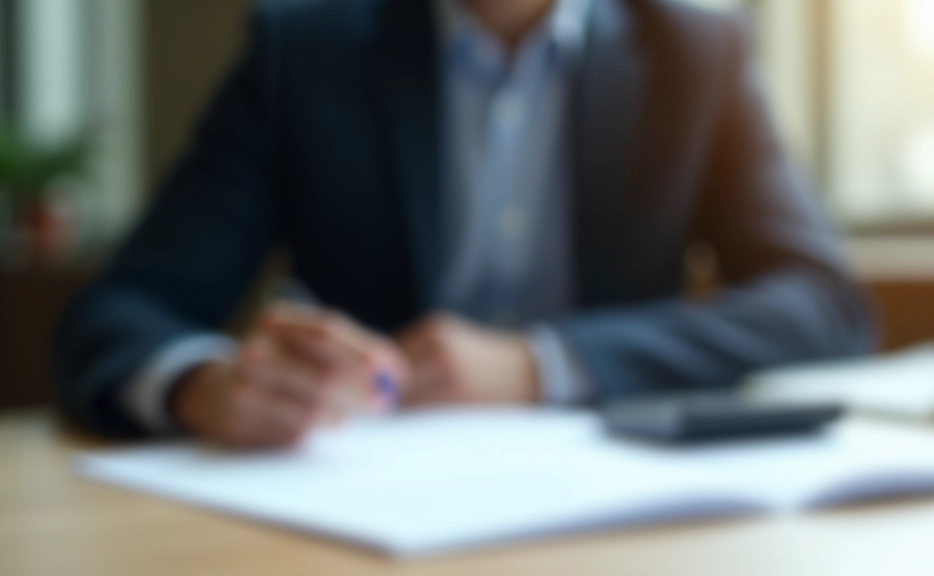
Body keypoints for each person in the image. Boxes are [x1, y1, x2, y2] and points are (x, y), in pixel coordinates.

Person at [54, 0, 874, 446]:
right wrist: (204, 387)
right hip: (357, 517)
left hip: (620, 522)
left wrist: (541, 364)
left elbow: (824, 306)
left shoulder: (699, 48)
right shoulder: (304, 48)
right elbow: (120, 313)